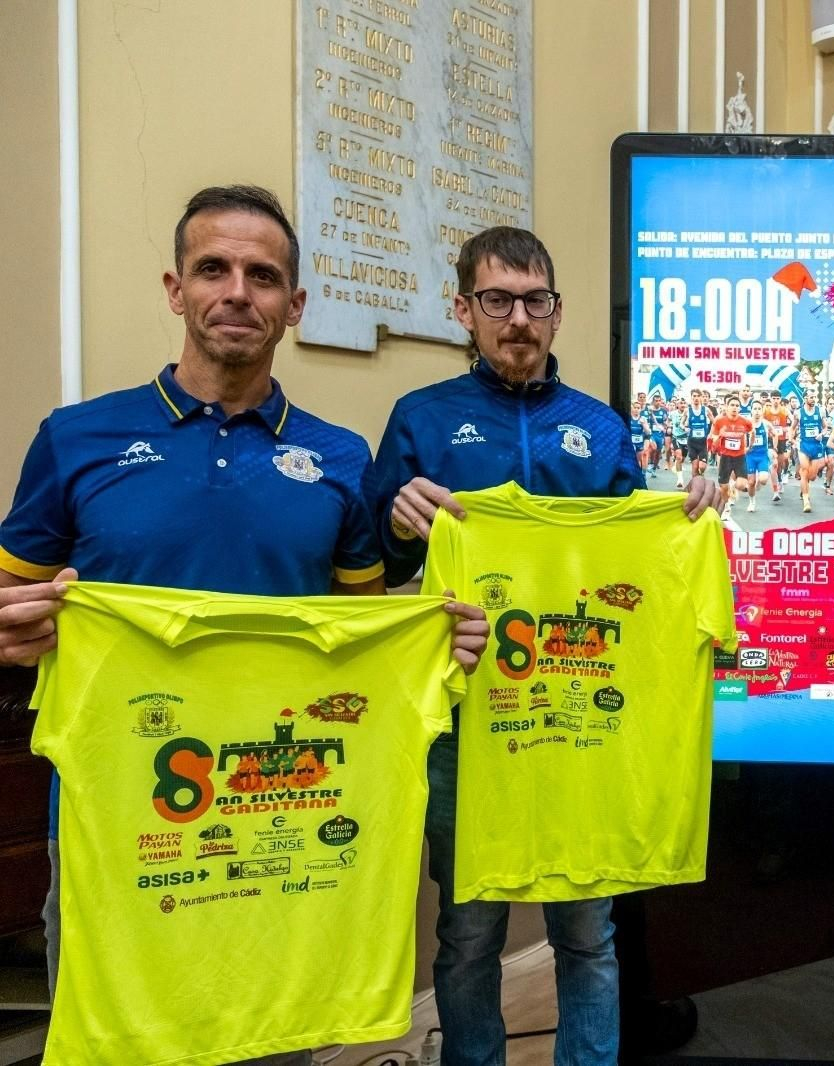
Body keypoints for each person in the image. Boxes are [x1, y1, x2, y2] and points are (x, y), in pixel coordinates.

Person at [0, 184, 487, 1066]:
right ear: (174, 288)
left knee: (274, 1043)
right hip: (122, 833)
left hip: (283, 827)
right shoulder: (75, 439)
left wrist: (429, 642)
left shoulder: (342, 458)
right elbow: (6, 604)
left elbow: (359, 634)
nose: (237, 292)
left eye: (263, 276)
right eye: (212, 269)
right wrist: (15, 629)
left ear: (294, 305)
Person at [367, 226, 717, 1066]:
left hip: (579, 714)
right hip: (467, 719)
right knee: (469, 931)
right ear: (464, 310)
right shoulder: (420, 420)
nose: (517, 318)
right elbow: (372, 569)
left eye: (534, 301)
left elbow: (636, 557)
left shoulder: (599, 428)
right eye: (497, 300)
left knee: (589, 933)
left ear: (557, 314)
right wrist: (396, 520)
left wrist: (687, 515)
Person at [709, 396, 754, 516]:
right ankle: (726, 506)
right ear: (727, 407)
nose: (734, 408)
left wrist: (750, 445)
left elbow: (753, 431)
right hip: (725, 457)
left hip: (740, 456)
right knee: (723, 487)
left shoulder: (745, 422)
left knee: (741, 485)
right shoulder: (719, 421)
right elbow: (713, 441)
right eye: (732, 405)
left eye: (737, 405)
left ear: (739, 408)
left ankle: (733, 486)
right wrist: (720, 436)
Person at [796, 388, 832, 514]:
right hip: (803, 445)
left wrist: (822, 434)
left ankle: (804, 484)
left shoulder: (820, 411)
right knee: (804, 470)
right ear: (805, 398)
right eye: (811, 397)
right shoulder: (798, 413)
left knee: (812, 476)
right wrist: (791, 438)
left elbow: (825, 427)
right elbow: (792, 427)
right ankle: (806, 500)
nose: (813, 399)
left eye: (814, 397)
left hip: (816, 445)